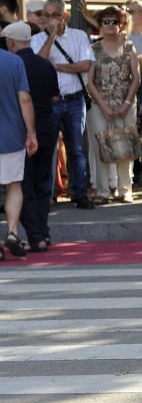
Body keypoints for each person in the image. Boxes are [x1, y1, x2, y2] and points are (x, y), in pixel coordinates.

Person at [31, 0, 95, 209]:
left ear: (64, 15)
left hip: (75, 99)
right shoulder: (38, 39)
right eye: (46, 15)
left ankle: (79, 192)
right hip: (50, 102)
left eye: (55, 15)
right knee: (48, 150)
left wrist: (56, 67)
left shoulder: (79, 36)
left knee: (76, 148)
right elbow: (39, 63)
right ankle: (48, 194)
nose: (50, 19)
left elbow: (85, 65)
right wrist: (51, 38)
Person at [4, 21, 58, 252]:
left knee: (22, 185)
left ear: (12, 42)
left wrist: (29, 131)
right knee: (42, 183)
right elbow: (55, 97)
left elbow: (24, 100)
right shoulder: (45, 65)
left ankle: (34, 235)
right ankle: (41, 233)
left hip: (20, 129)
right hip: (46, 125)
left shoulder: (14, 62)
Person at [85, 6, 140, 205]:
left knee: (124, 147)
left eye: (114, 21)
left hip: (125, 103)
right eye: (106, 22)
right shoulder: (93, 49)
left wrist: (126, 103)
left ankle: (125, 189)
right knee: (100, 146)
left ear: (121, 24)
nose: (110, 25)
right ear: (99, 25)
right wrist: (104, 107)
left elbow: (136, 78)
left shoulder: (129, 47)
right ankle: (102, 190)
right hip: (99, 104)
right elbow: (90, 82)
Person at [1, 23, 40, 258]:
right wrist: (31, 132)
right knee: (13, 185)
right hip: (10, 134)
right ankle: (13, 232)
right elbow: (25, 99)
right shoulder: (14, 62)